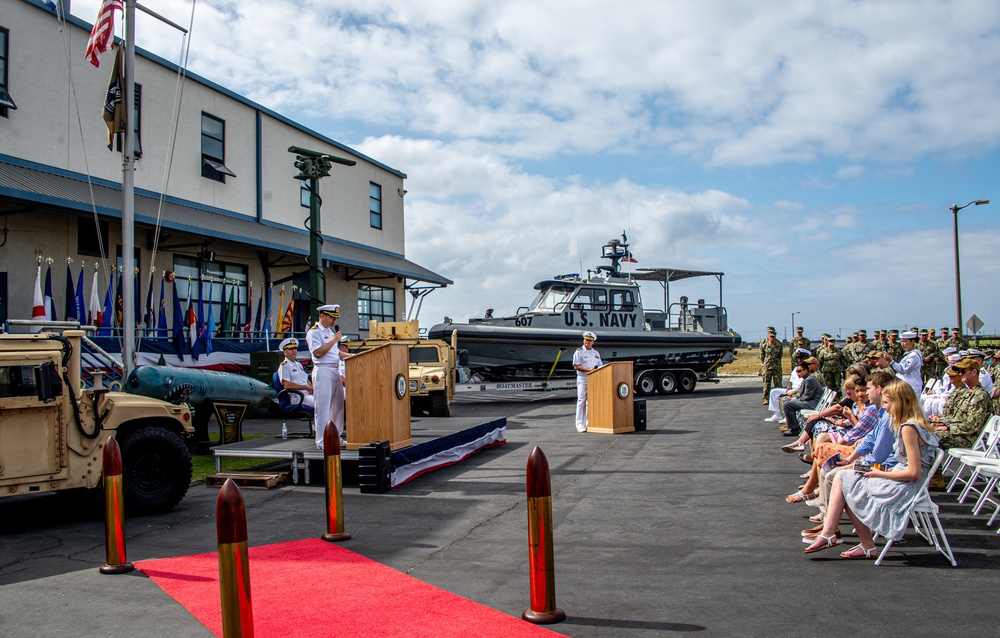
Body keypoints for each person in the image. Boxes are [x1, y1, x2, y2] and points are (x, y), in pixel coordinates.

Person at [804, 379, 939, 558]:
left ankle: (848, 538)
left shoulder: (908, 428)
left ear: (898, 403)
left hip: (905, 487)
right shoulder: (912, 424)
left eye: (886, 403)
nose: (884, 408)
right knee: (845, 480)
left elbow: (914, 473)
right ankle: (834, 533)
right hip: (900, 478)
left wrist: (880, 473)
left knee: (846, 482)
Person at [306, 304, 344, 449]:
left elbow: (336, 354)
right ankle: (321, 439)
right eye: (332, 317)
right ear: (322, 316)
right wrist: (334, 340)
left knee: (338, 406)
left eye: (335, 318)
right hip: (323, 371)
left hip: (335, 370)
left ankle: (336, 436)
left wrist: (353, 356)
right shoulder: (314, 332)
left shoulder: (329, 332)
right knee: (323, 407)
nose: (334, 321)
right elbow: (318, 353)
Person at [782, 361, 822, 437]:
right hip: (810, 401)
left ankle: (794, 429)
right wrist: (796, 398)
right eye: (797, 371)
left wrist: (796, 399)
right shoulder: (807, 379)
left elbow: (807, 396)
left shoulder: (810, 380)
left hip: (812, 404)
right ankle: (794, 425)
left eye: (799, 371)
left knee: (788, 405)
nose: (798, 373)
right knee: (787, 401)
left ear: (806, 370)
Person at [573, 331, 602, 432]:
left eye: (589, 341)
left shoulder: (595, 353)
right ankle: (580, 425)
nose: (587, 342)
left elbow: (600, 365)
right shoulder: (579, 352)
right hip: (583, 378)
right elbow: (576, 366)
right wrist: (589, 370)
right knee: (581, 401)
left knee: (590, 402)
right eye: (586, 340)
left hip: (593, 379)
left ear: (593, 342)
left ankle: (589, 423)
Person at [277, 337, 314, 408]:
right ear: (285, 352)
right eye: (290, 349)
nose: (294, 351)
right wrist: (306, 388)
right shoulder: (284, 366)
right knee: (321, 403)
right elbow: (287, 385)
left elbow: (306, 379)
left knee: (329, 399)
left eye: (295, 349)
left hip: (308, 394)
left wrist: (311, 387)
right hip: (299, 397)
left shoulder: (298, 364)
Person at [889, 330, 923, 396]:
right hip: (905, 385)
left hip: (911, 386)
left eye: (905, 341)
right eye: (901, 341)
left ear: (912, 342)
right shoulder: (907, 353)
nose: (902, 344)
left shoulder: (914, 355)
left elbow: (904, 370)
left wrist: (891, 361)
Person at [759, 328, 783, 405]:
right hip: (767, 366)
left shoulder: (779, 344)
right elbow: (762, 355)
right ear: (768, 336)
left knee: (778, 383)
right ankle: (766, 398)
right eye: (770, 336)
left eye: (773, 336)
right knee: (766, 383)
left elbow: (780, 355)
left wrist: (777, 363)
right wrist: (765, 363)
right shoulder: (764, 344)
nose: (772, 338)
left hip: (776, 366)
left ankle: (778, 398)